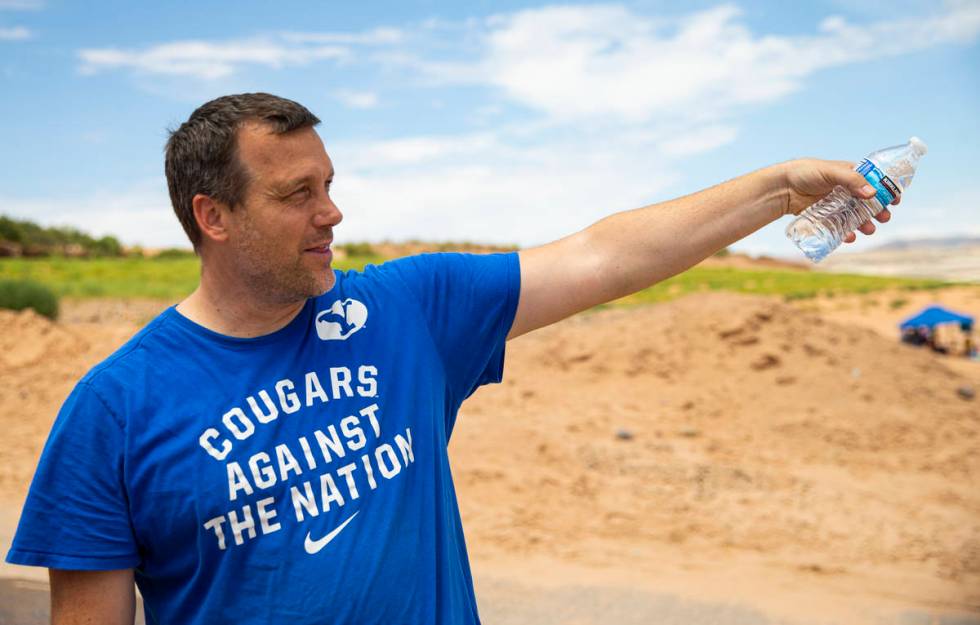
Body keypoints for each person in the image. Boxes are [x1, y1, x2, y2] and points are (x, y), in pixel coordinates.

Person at [5, 93, 897, 624]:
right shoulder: (112, 409)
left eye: (331, 186)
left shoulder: (402, 310)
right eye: (297, 194)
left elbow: (601, 255)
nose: (333, 215)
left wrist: (779, 187)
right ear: (213, 215)